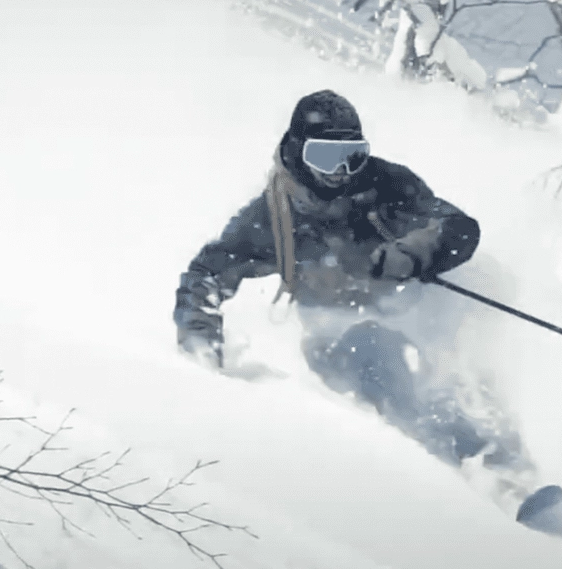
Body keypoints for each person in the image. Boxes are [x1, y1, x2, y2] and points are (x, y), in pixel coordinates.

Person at [173, 90, 510, 467]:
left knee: (466, 340)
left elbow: (457, 228)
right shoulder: (272, 218)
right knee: (377, 351)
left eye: (352, 157)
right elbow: (207, 273)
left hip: (414, 314)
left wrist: (411, 254)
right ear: (298, 151)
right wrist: (200, 341)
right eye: (325, 157)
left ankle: (512, 468)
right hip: (338, 341)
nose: (340, 172)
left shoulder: (387, 185)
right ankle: (448, 467)